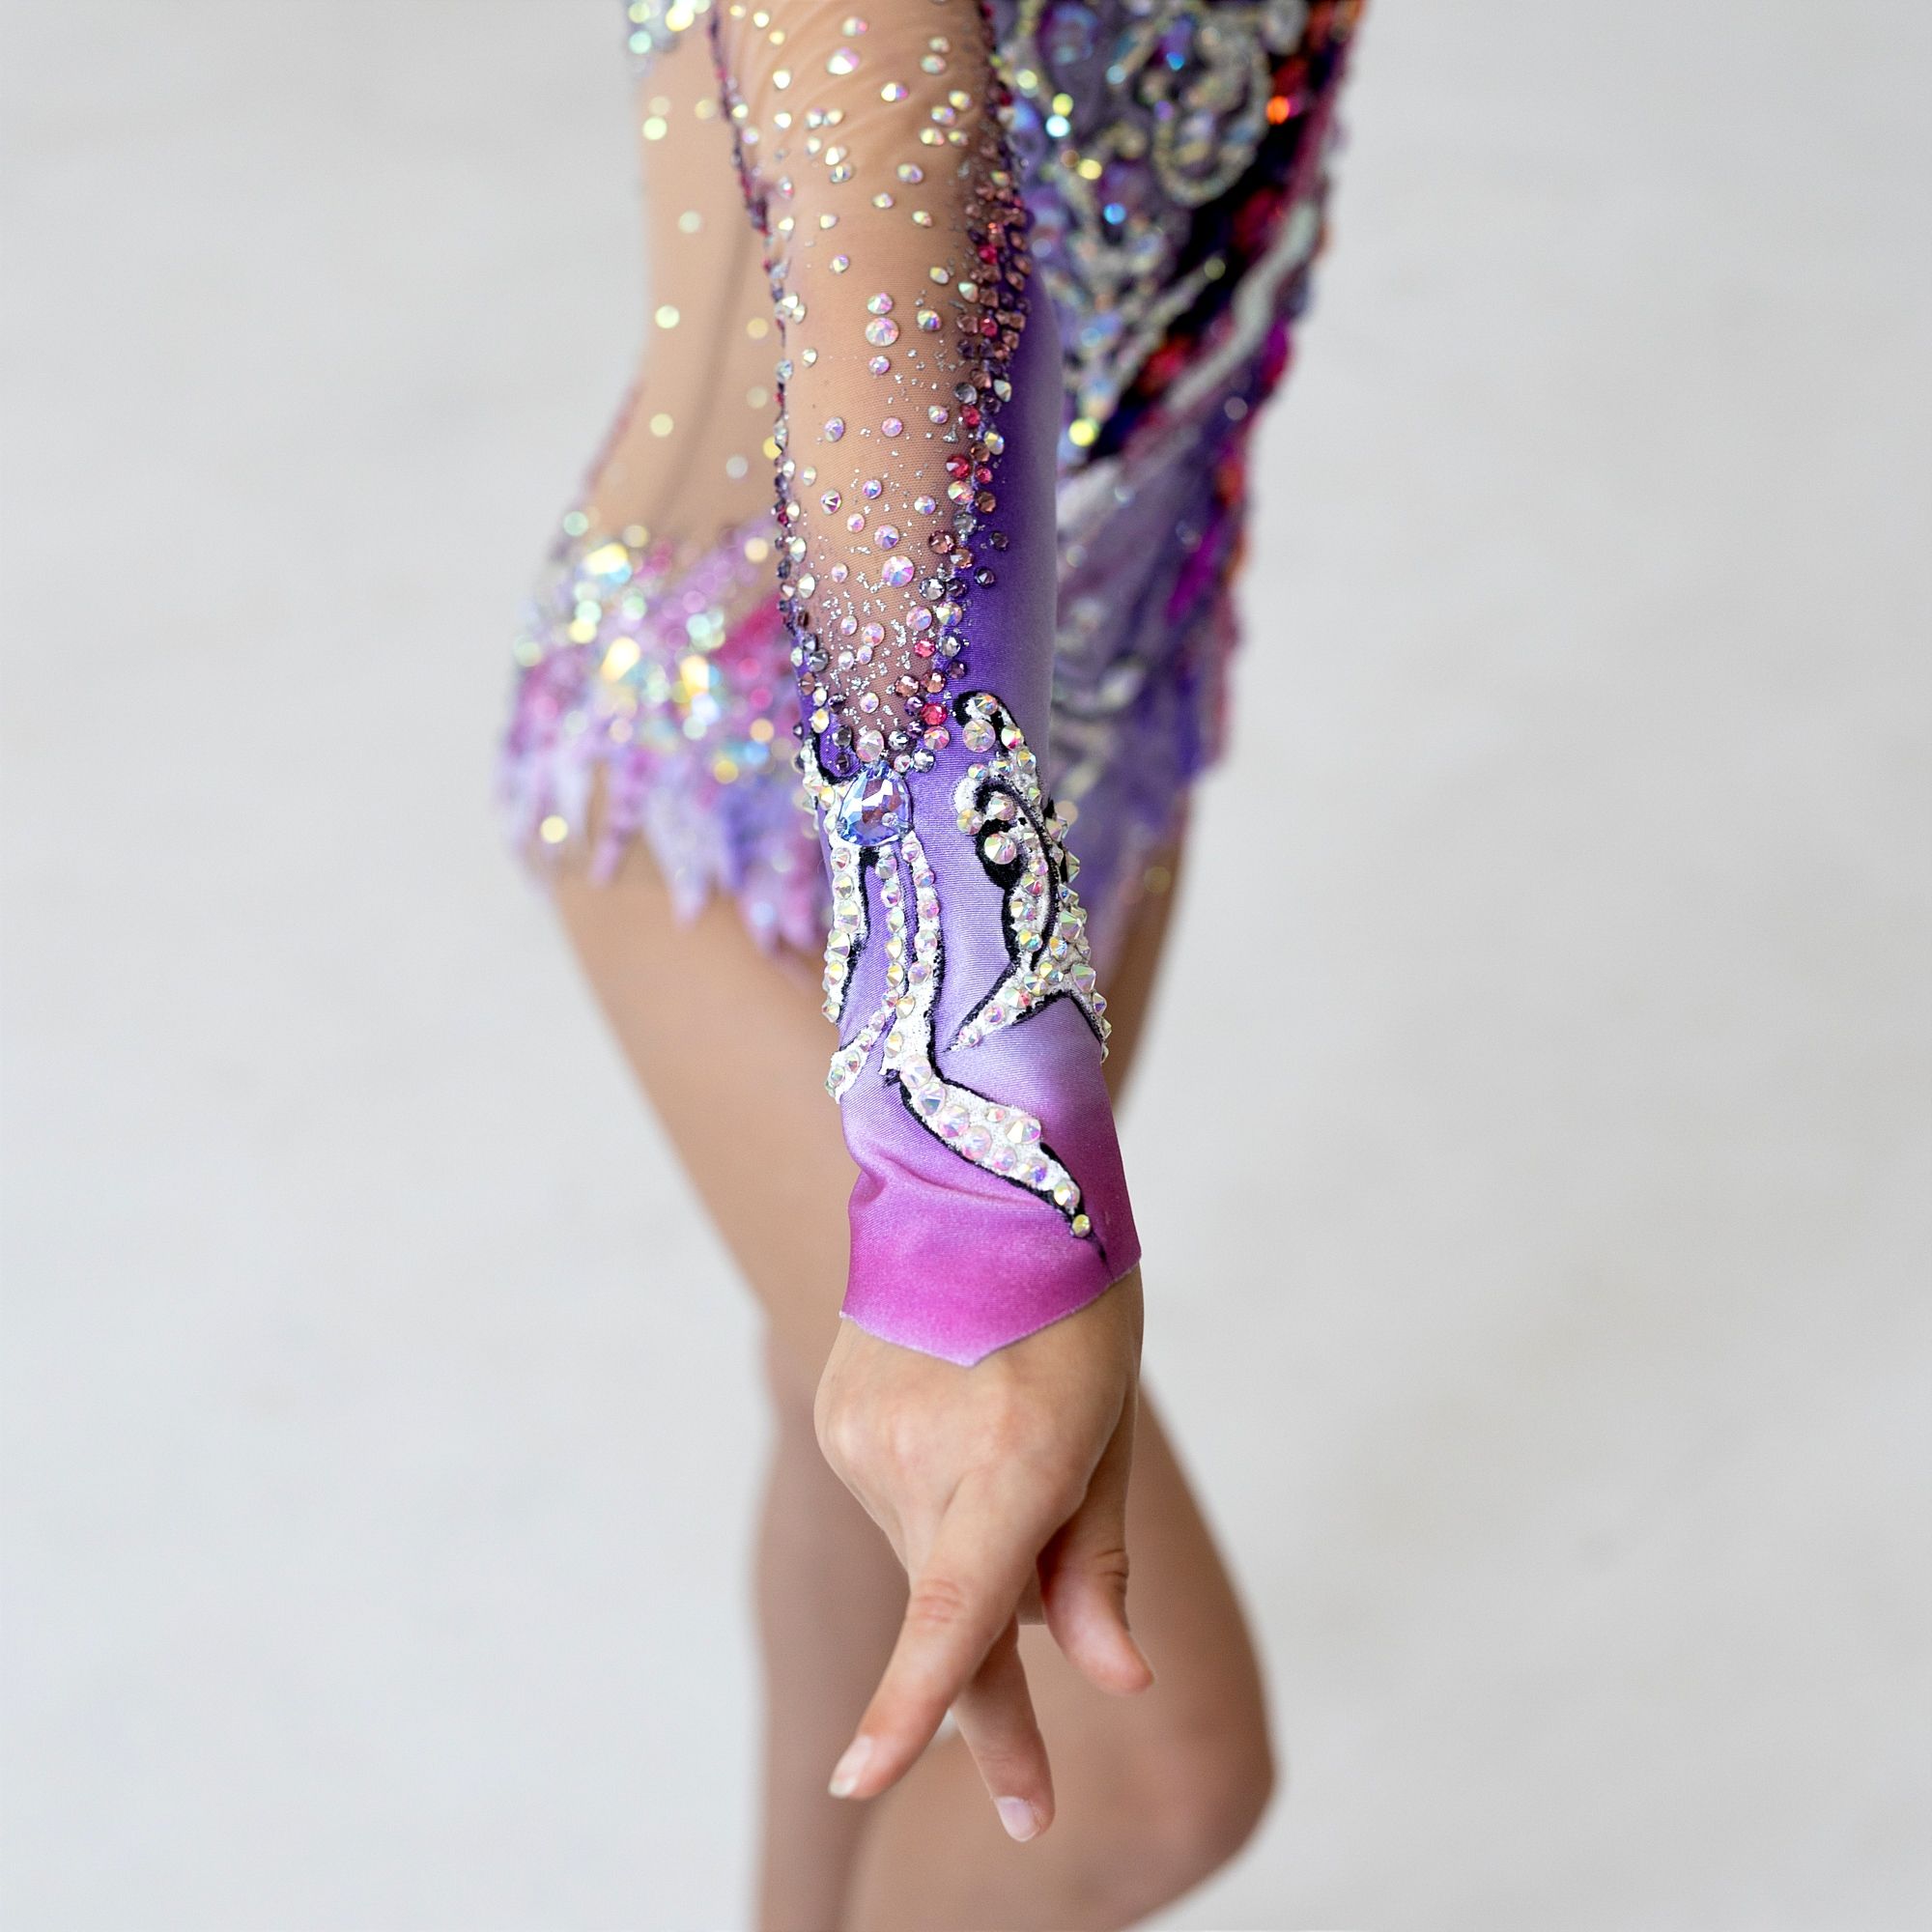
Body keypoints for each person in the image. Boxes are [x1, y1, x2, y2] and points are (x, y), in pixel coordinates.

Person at [500, 2, 1361, 1923]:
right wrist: (970, 1175)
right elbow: (891, 188)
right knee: (1157, 1774)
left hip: (1100, 744)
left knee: (851, 1463)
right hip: (758, 802)